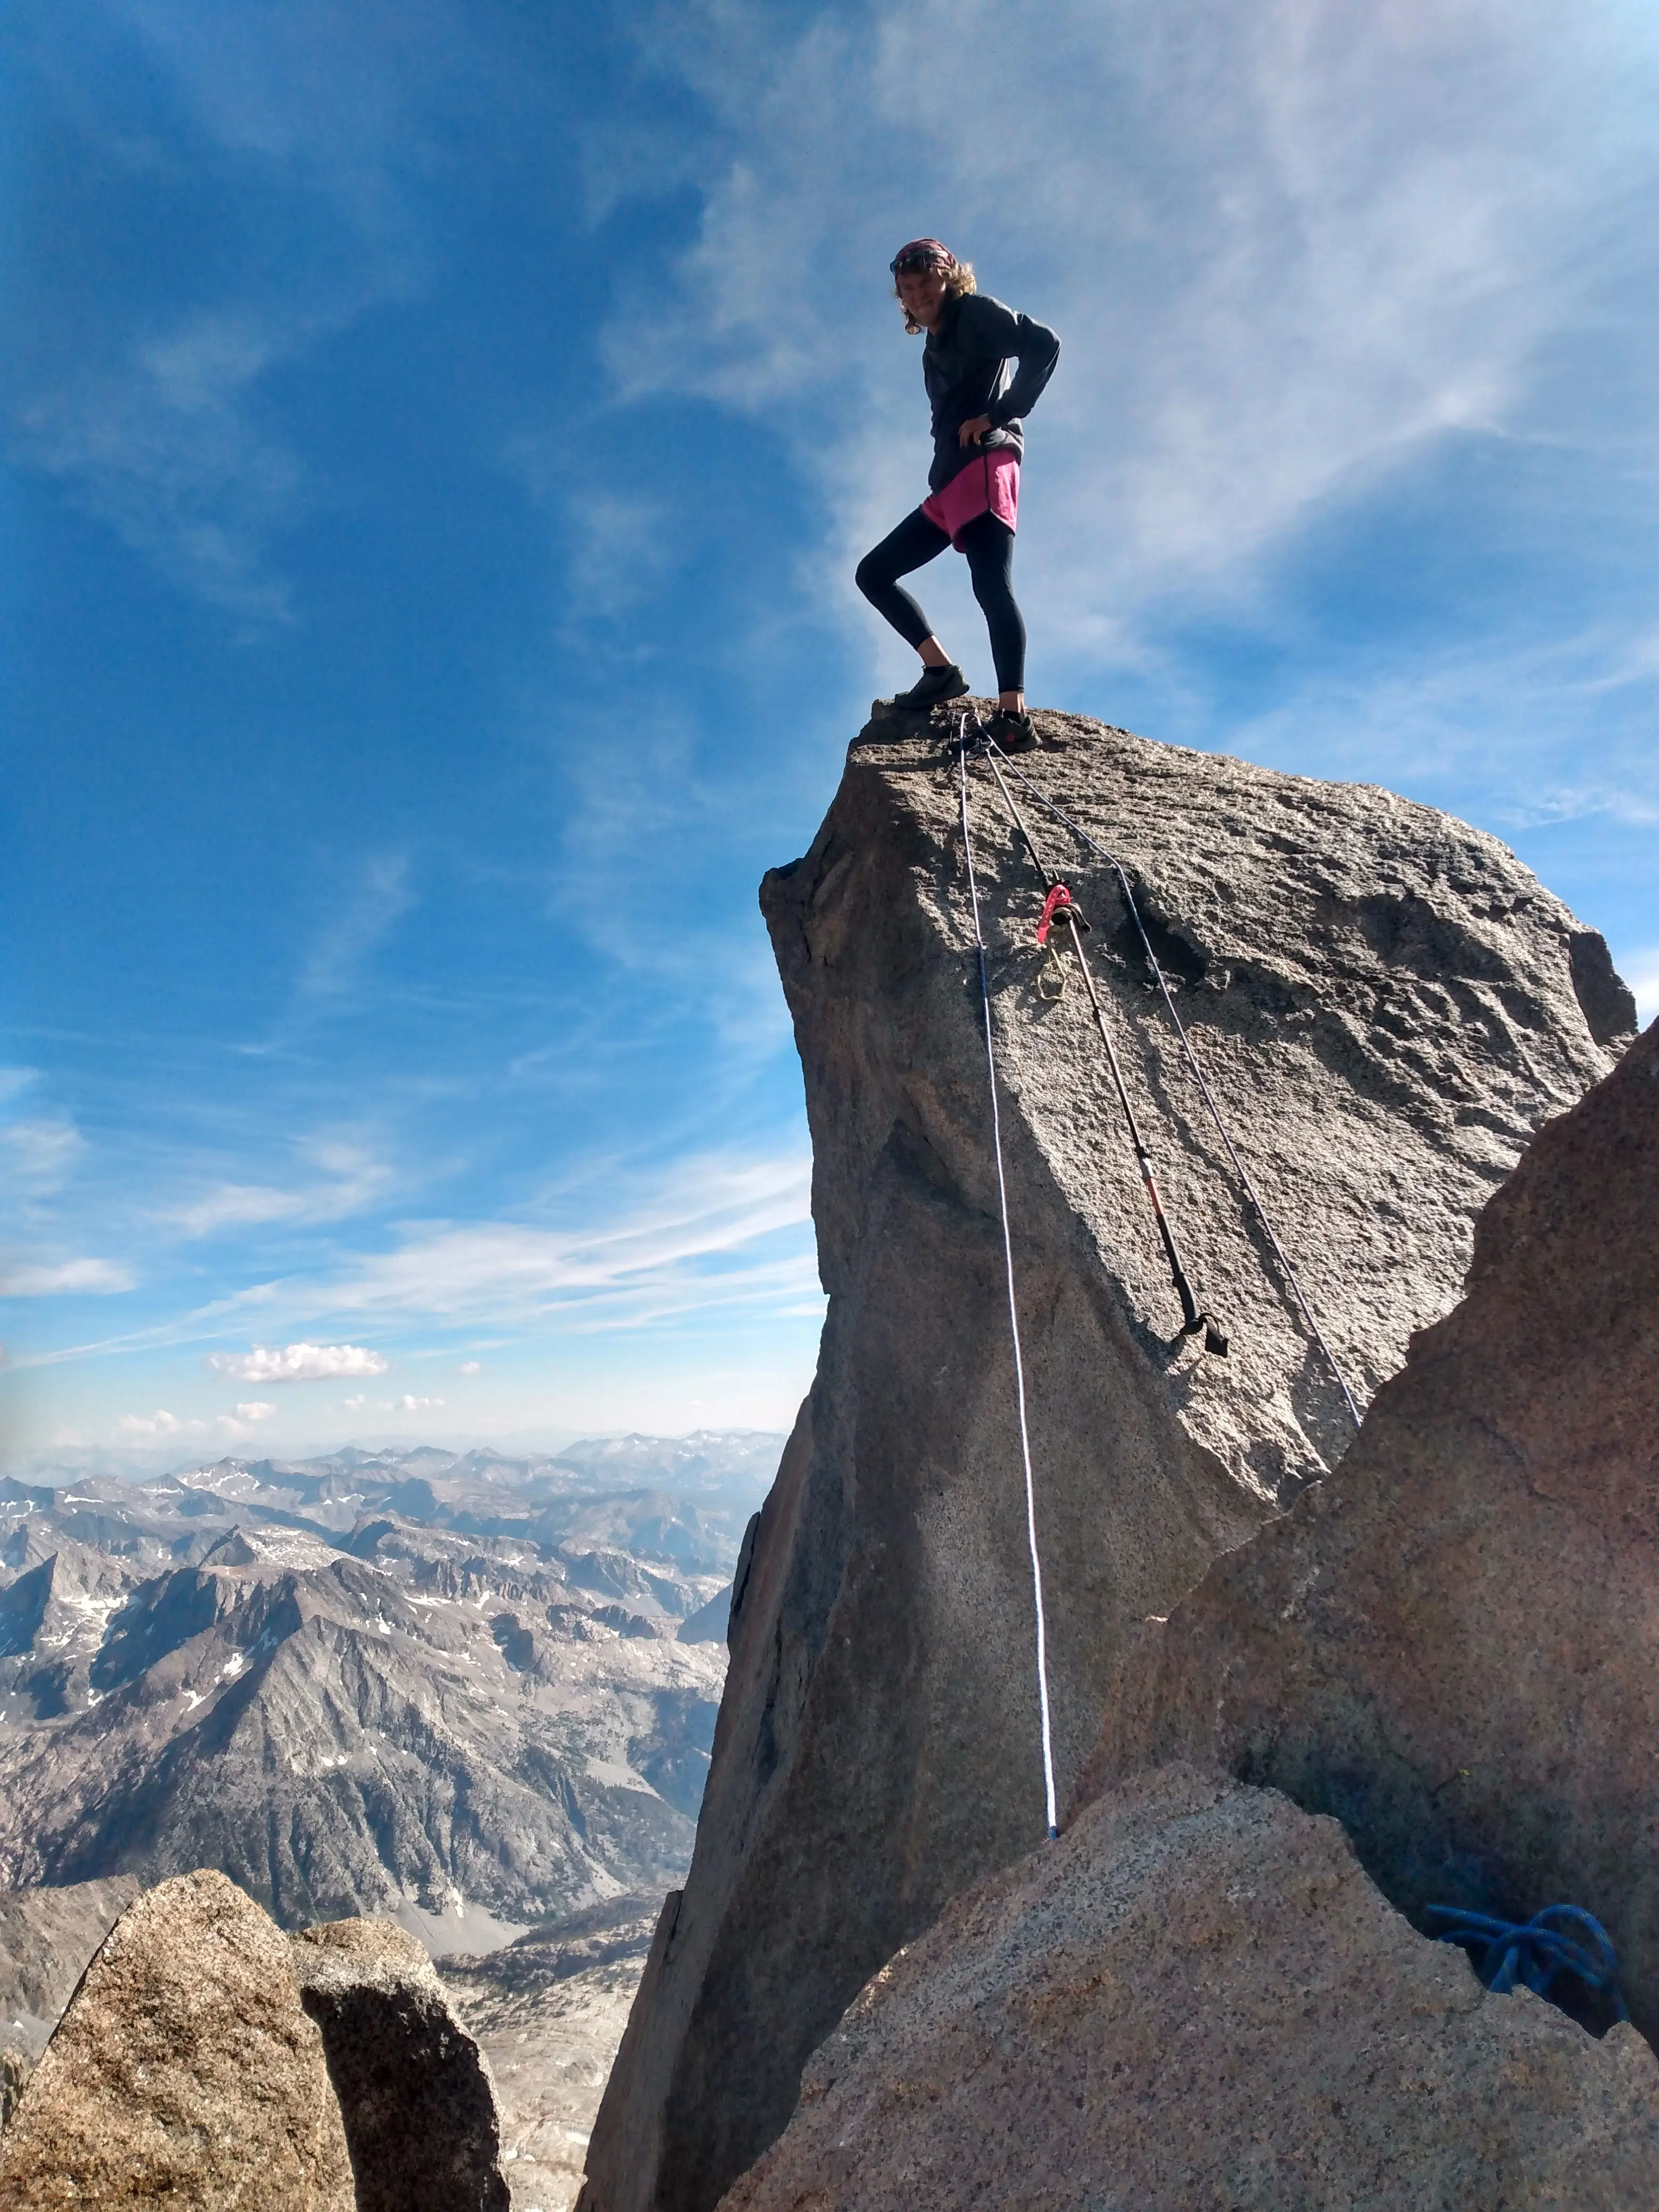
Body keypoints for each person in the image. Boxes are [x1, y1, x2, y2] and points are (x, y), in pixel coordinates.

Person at [856, 239, 1059, 750]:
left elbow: (1045, 345)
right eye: (909, 288)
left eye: (926, 281)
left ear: (950, 277)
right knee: (874, 573)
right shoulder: (934, 343)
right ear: (902, 297)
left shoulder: (974, 313)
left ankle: (1013, 716)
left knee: (991, 582)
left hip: (986, 461)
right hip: (950, 480)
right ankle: (940, 671)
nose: (919, 292)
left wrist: (1000, 413)